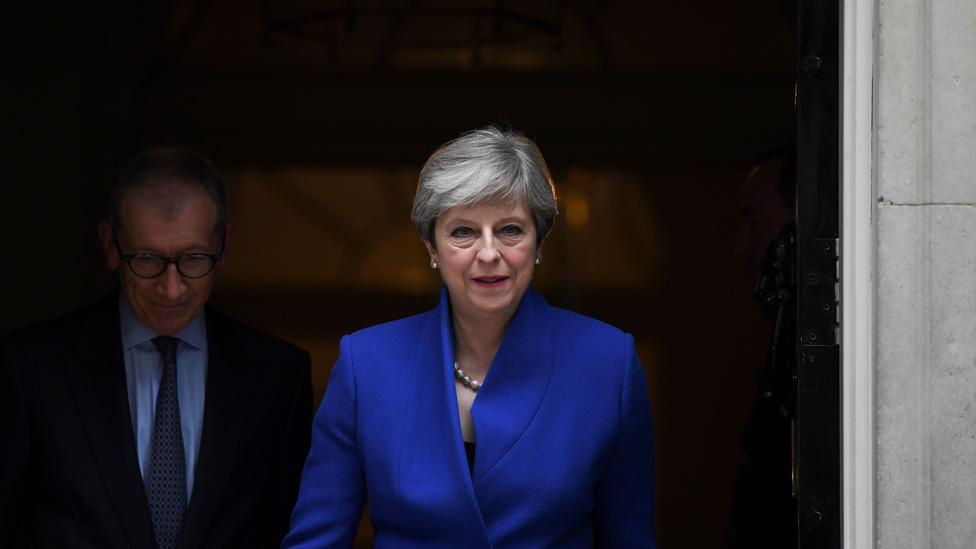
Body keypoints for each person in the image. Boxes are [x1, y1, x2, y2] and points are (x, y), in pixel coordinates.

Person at [283, 126, 657, 548]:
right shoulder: (366, 363)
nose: (489, 252)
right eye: (462, 231)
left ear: (539, 240)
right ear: (431, 247)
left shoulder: (609, 362)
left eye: (511, 229)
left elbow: (630, 538)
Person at [0, 147, 313, 549]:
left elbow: (290, 529)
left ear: (224, 243)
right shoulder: (31, 370)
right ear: (110, 244)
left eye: (193, 258)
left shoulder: (277, 376)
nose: (171, 288)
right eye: (147, 259)